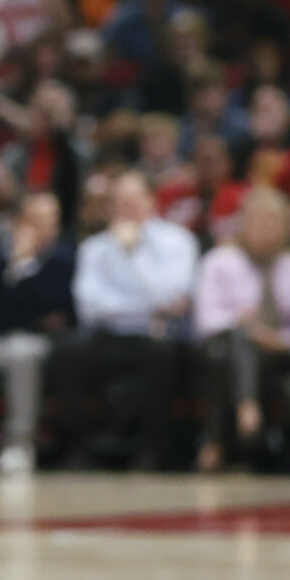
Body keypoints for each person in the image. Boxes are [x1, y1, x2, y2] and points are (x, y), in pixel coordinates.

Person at [52, 171, 198, 468]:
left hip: (156, 336)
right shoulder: (95, 247)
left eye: (132, 201)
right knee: (67, 352)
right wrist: (149, 306)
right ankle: (76, 448)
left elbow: (175, 298)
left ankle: (152, 450)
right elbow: (89, 306)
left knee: (164, 356)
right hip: (108, 335)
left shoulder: (178, 241)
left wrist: (133, 255)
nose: (124, 209)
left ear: (150, 201)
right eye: (118, 202)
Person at [0, 190, 75, 474]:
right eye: (37, 221)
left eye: (51, 222)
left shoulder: (63, 258)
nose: (46, 229)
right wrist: (16, 270)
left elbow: (54, 307)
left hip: (38, 342)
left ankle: (19, 443)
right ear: (19, 223)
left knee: (22, 351)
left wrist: (23, 270)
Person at [192, 187, 290, 472]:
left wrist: (278, 339)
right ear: (242, 225)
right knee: (231, 346)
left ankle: (216, 442)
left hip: (282, 355)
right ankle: (246, 415)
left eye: (272, 223)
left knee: (231, 351)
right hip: (226, 348)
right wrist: (243, 324)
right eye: (257, 222)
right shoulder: (219, 262)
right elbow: (206, 321)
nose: (264, 230)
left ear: (286, 228)